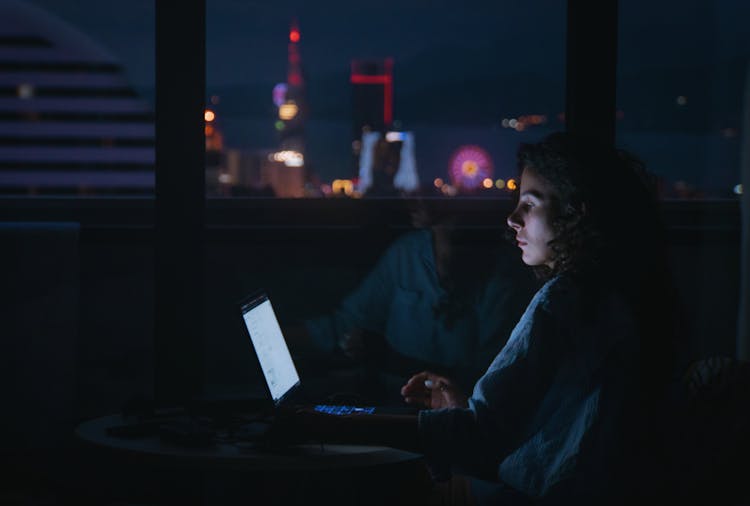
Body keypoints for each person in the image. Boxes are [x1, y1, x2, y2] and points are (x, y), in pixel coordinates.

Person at [271, 131, 682, 505]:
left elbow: (482, 439)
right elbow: (538, 425)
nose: (513, 219)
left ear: (575, 213)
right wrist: (464, 407)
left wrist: (327, 428)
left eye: (529, 204)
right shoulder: (613, 294)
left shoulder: (564, 300)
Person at [287, 200, 539, 406]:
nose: (449, 257)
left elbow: (486, 378)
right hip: (390, 399)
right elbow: (346, 321)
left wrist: (388, 358)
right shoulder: (406, 254)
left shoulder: (503, 280)